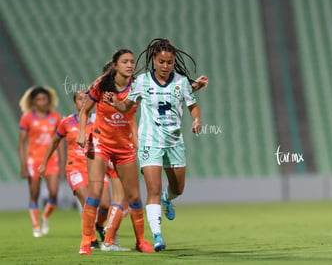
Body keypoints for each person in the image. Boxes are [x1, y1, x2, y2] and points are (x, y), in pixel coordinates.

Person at [103, 38, 207, 251]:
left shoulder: (181, 82)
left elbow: (192, 106)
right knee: (153, 188)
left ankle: (167, 199)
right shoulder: (142, 81)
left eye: (169, 62)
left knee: (178, 188)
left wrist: (197, 120)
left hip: (174, 142)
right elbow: (127, 106)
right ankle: (157, 235)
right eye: (161, 62)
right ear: (154, 60)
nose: (166, 66)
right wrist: (116, 104)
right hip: (150, 142)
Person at [76, 49, 155, 255]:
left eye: (132, 62)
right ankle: (86, 241)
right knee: (95, 192)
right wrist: (82, 133)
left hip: (124, 146)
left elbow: (132, 109)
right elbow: (85, 111)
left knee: (135, 197)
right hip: (100, 142)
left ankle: (141, 241)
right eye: (125, 62)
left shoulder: (138, 86)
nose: (130, 65)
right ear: (115, 65)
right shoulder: (101, 85)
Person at [37, 90, 111, 248]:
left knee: (105, 204)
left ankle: (98, 225)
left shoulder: (100, 120)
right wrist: (44, 163)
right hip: (75, 168)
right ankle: (91, 238)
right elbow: (54, 141)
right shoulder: (67, 122)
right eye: (79, 99)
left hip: (97, 167)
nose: (83, 101)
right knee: (87, 203)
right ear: (74, 103)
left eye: (87, 98)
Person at [18, 86, 65, 237]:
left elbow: (60, 142)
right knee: (34, 193)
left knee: (53, 193)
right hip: (34, 160)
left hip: (52, 160)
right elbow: (21, 143)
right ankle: (36, 227)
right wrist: (23, 165)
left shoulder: (56, 117)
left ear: (48, 100)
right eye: (38, 99)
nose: (41, 102)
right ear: (32, 101)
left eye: (44, 99)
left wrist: (64, 163)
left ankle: (45, 217)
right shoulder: (27, 118)